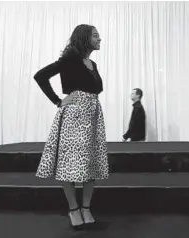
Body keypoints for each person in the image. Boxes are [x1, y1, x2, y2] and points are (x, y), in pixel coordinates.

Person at [34, 24, 109, 230]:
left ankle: (86, 207)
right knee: (68, 164)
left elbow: (96, 90)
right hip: (74, 117)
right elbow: (40, 76)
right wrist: (58, 101)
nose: (99, 39)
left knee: (91, 163)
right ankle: (74, 209)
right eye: (95, 36)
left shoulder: (92, 63)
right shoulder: (69, 60)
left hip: (92, 116)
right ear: (85, 38)